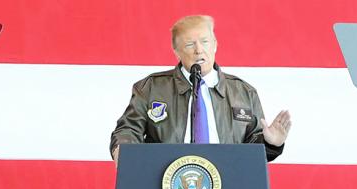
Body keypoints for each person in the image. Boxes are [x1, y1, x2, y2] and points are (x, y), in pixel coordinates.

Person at [110, 15, 291, 164]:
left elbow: (253, 152)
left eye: (204, 42)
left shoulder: (243, 92)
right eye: (190, 44)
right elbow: (128, 129)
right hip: (166, 182)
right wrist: (124, 148)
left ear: (215, 45)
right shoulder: (151, 88)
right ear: (176, 51)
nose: (199, 50)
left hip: (227, 184)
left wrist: (271, 143)